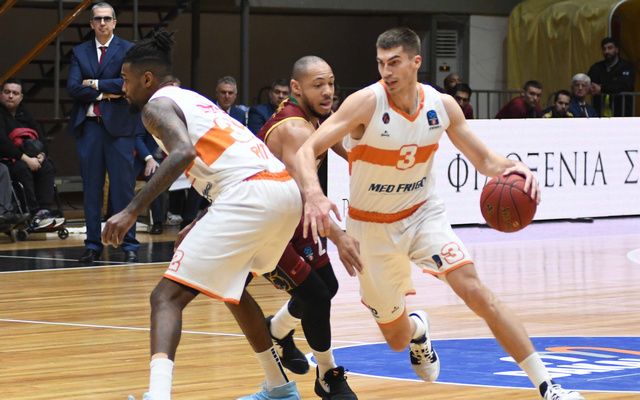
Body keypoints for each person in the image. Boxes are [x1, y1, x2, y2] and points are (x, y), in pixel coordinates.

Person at [294, 27, 584, 400]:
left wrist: (514, 167)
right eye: (381, 63)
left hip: (422, 215)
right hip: (371, 229)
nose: (386, 71)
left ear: (416, 62)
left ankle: (549, 386)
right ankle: (418, 329)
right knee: (396, 338)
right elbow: (306, 150)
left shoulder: (441, 106)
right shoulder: (365, 103)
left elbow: (484, 159)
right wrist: (314, 194)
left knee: (476, 292)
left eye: (395, 62)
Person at [103, 30, 303, 400]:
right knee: (234, 289)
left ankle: (158, 395)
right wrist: (202, 220)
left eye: (126, 80)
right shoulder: (193, 99)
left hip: (250, 195)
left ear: (147, 79)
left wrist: (131, 211)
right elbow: (229, 163)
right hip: (283, 191)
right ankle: (279, 387)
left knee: (165, 298)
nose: (123, 88)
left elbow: (183, 154)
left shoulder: (156, 106)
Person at [256, 56, 359, 399]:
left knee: (326, 286)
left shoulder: (316, 115)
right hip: (265, 224)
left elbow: (348, 149)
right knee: (316, 296)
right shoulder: (294, 128)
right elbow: (308, 196)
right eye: (318, 85)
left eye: (331, 83)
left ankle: (277, 329)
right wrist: (340, 237)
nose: (328, 91)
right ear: (296, 88)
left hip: (292, 216)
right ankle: (327, 376)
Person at [67, 2, 139, 263]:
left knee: (123, 189)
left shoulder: (128, 49)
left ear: (115, 22)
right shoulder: (80, 51)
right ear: (91, 23)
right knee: (91, 189)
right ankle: (92, 244)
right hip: (89, 127)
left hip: (119, 128)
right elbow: (73, 87)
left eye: (107, 18)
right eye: (98, 19)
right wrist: (104, 93)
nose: (102, 23)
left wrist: (95, 83)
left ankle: (129, 244)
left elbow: (127, 83)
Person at [0, 78, 63, 229]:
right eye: (7, 92)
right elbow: (2, 143)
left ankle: (44, 211)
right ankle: (33, 213)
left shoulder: (24, 113)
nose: (10, 96)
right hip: (8, 159)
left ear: (21, 97)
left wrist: (42, 154)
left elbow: (40, 136)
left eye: (15, 93)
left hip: (29, 157)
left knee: (47, 166)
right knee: (23, 169)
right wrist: (26, 159)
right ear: (1, 94)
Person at [587, 37, 635, 117]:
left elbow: (624, 85)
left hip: (622, 112)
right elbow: (588, 82)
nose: (606, 51)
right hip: (599, 113)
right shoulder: (596, 67)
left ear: (617, 50)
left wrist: (602, 88)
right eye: (604, 49)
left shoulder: (627, 66)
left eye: (610, 48)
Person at [134, 129, 164, 234]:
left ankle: (189, 220)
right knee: (155, 178)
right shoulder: (148, 120)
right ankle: (158, 222)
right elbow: (138, 139)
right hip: (147, 158)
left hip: (171, 159)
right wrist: (149, 158)